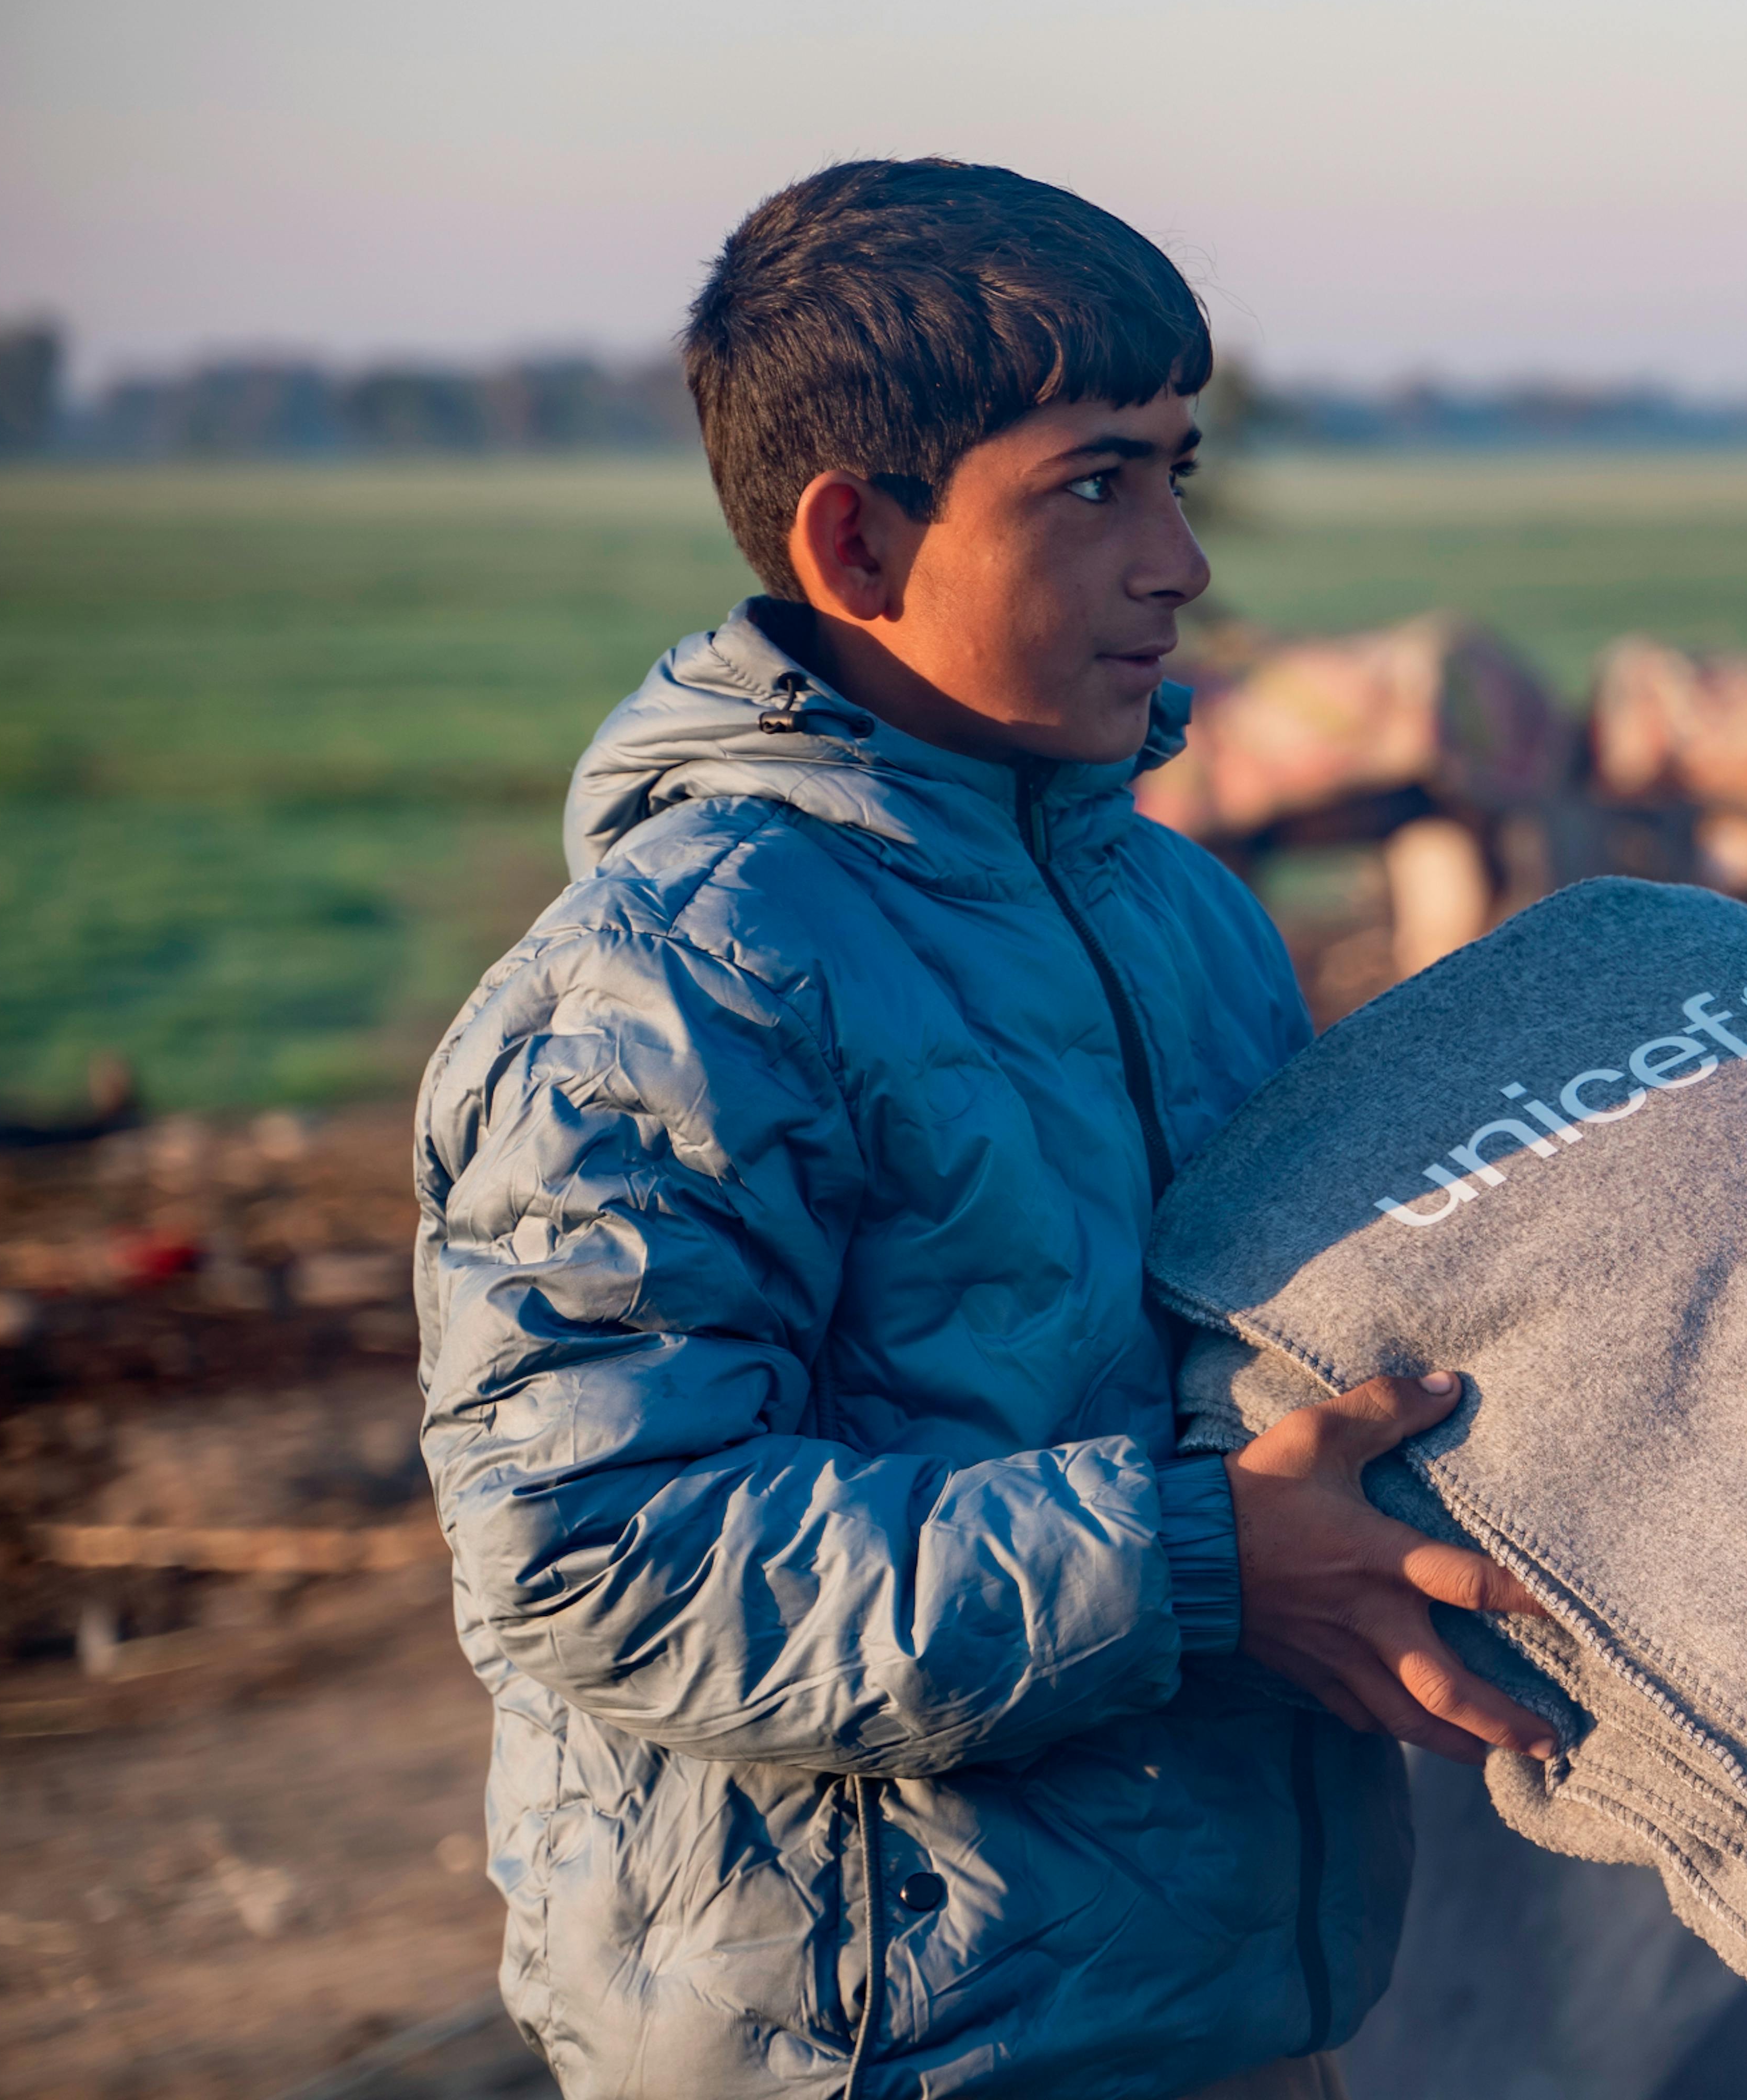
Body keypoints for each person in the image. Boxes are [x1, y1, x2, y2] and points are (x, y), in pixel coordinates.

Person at [409, 159, 1553, 2100]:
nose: (1181, 557)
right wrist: (1199, 1561)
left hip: (1223, 2012)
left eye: (1181, 471)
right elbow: (588, 1545)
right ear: (855, 544)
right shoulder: (673, 983)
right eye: (1098, 484)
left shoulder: (1181, 915)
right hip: (874, 2049)